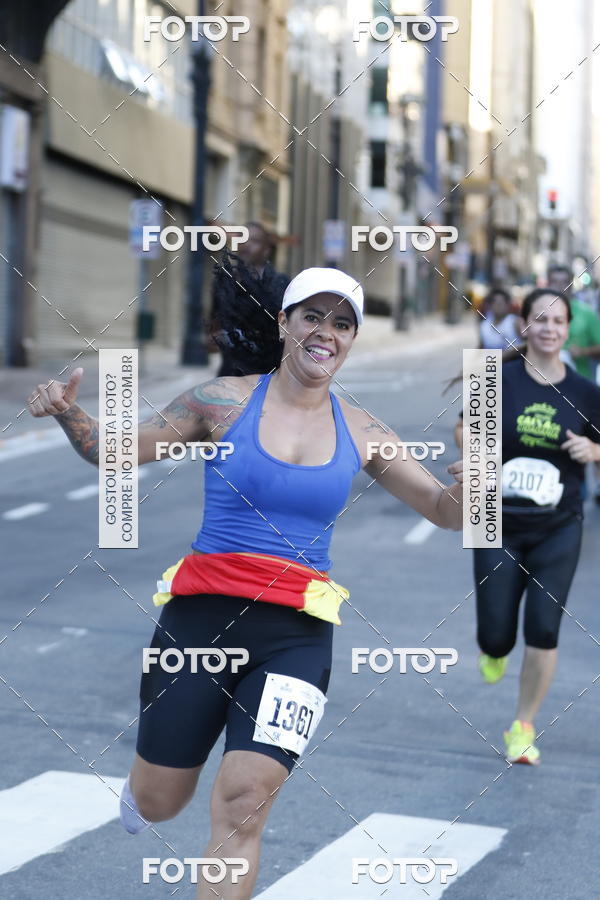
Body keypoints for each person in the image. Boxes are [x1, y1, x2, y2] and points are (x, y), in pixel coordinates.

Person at [27, 267, 463, 899]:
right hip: (200, 622)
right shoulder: (222, 402)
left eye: (342, 324)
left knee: (244, 802)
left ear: (352, 339)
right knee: (160, 800)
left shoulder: (366, 431)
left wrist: (472, 482)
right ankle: (144, 792)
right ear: (284, 323)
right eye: (312, 317)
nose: (326, 333)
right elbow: (116, 451)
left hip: (297, 635)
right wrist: (70, 414)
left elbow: (445, 512)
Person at [455, 287, 600, 766]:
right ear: (524, 325)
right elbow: (463, 429)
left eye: (558, 321)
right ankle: (494, 649)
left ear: (568, 328)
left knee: (544, 626)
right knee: (495, 635)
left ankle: (522, 727)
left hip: (559, 523)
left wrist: (593, 451)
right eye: (540, 319)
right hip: (492, 515)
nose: (550, 328)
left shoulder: (587, 394)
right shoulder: (491, 375)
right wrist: (476, 455)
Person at [210, 222, 290, 377]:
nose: (246, 244)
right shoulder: (223, 282)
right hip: (231, 373)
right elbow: (214, 326)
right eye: (242, 238)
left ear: (266, 250)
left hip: (269, 373)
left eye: (255, 240)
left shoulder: (280, 283)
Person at [548, 264, 600, 501]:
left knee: (580, 447)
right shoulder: (540, 309)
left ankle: (580, 497)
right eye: (554, 281)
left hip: (578, 395)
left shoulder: (586, 313)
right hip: (545, 391)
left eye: (563, 281)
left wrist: (585, 350)